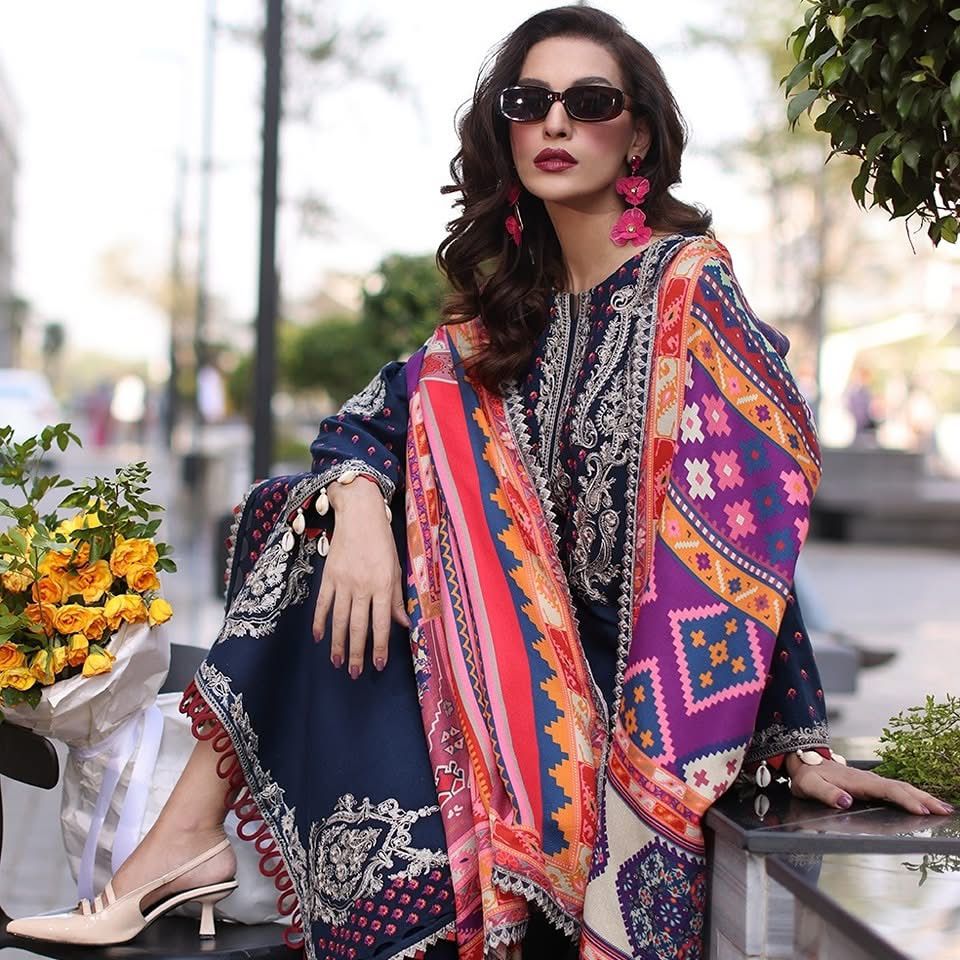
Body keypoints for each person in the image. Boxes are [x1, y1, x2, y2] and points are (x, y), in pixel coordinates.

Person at [8, 7, 952, 960]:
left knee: (338, 535)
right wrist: (362, 506)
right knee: (320, 518)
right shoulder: (503, 323)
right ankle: (185, 843)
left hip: (622, 733)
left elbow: (741, 534)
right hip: (493, 694)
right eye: (528, 102)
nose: (555, 123)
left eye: (590, 102)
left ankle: (184, 850)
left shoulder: (687, 288)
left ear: (637, 136)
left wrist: (797, 742)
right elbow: (364, 424)